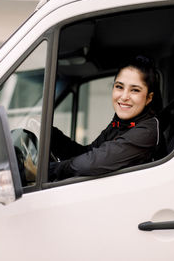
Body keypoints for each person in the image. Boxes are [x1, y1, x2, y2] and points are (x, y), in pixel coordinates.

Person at [25, 55, 162, 182]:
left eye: (135, 90)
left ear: (149, 98)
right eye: (119, 87)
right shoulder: (121, 123)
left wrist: (45, 171)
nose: (124, 96)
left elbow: (90, 163)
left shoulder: (147, 131)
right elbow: (88, 153)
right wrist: (52, 135)